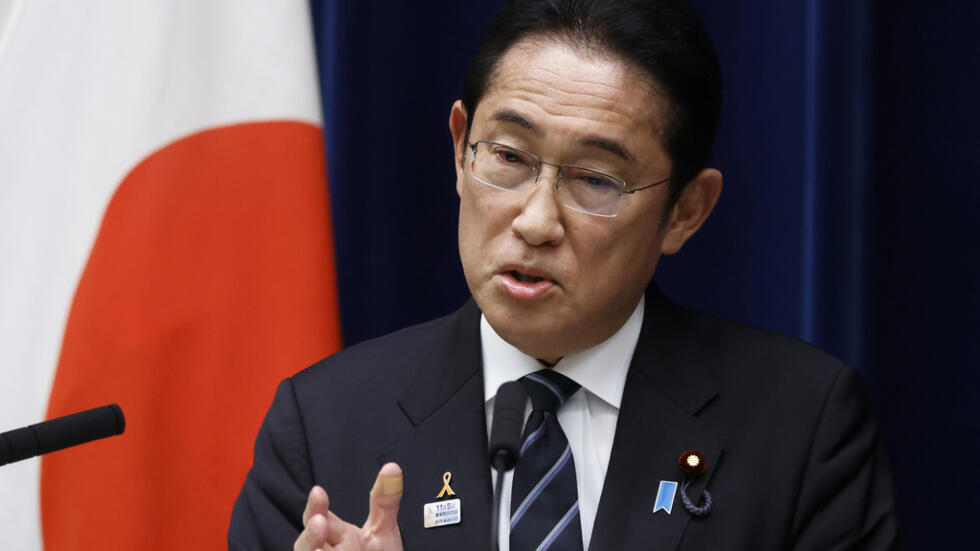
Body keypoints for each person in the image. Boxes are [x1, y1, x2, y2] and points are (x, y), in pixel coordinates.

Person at [229, 1, 901, 549]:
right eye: (510, 155)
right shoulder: (322, 429)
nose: (536, 219)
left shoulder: (803, 427)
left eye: (597, 178)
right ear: (461, 149)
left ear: (686, 211)